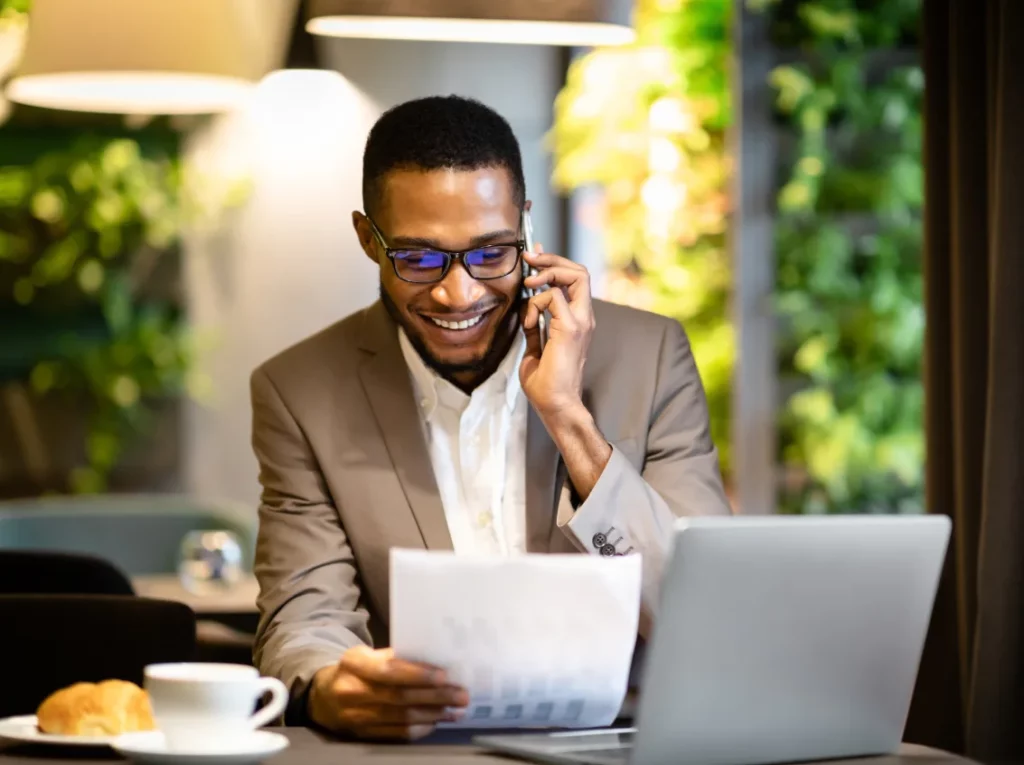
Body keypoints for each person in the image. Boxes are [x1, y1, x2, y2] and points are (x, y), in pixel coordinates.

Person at [250, 94, 731, 741]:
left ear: (526, 229)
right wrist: (334, 684)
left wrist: (568, 418)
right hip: (423, 751)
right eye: (418, 258)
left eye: (491, 253)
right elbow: (303, 621)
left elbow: (706, 616)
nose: (459, 291)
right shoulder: (298, 391)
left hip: (623, 745)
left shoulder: (650, 358)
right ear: (369, 239)